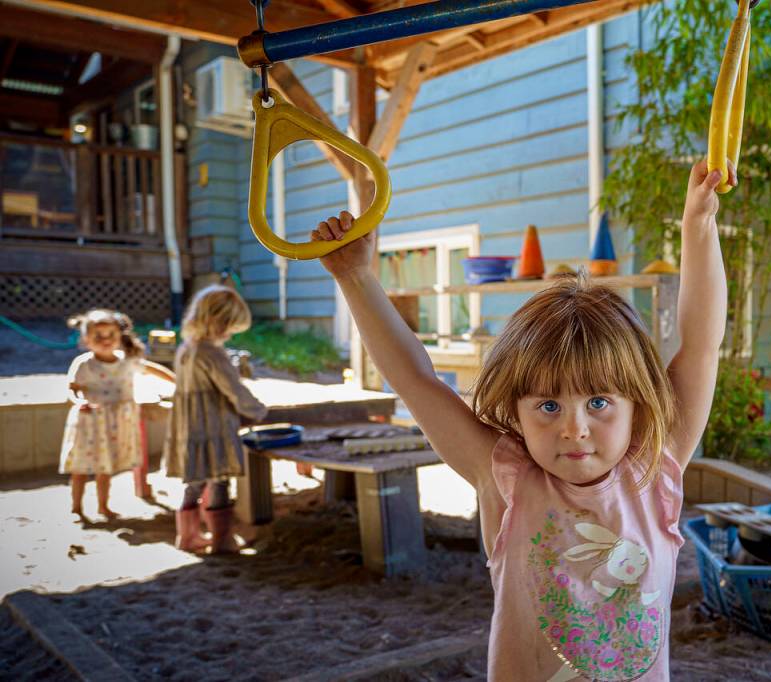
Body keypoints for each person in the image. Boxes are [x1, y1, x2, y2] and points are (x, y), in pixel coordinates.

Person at [313, 159, 732, 680]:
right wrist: (355, 277)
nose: (574, 429)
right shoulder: (504, 475)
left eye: (599, 403)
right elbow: (417, 379)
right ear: (516, 410)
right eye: (548, 406)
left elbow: (701, 347)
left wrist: (698, 225)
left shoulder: (656, 463)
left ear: (638, 405)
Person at [163, 286, 267, 553]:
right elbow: (234, 389)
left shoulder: (187, 348)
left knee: (195, 481)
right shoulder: (212, 353)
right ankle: (223, 540)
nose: (230, 333)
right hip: (213, 425)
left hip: (191, 425)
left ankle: (187, 537)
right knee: (220, 479)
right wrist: (257, 411)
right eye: (229, 327)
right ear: (216, 322)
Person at [60, 309, 175, 520]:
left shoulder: (126, 361)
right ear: (86, 340)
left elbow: (152, 370)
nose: (105, 340)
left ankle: (103, 507)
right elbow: (73, 389)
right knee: (81, 469)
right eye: (98, 336)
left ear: (119, 336)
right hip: (89, 424)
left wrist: (179, 383)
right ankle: (76, 507)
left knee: (105, 468)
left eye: (111, 335)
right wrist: (81, 402)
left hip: (114, 426)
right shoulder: (84, 364)